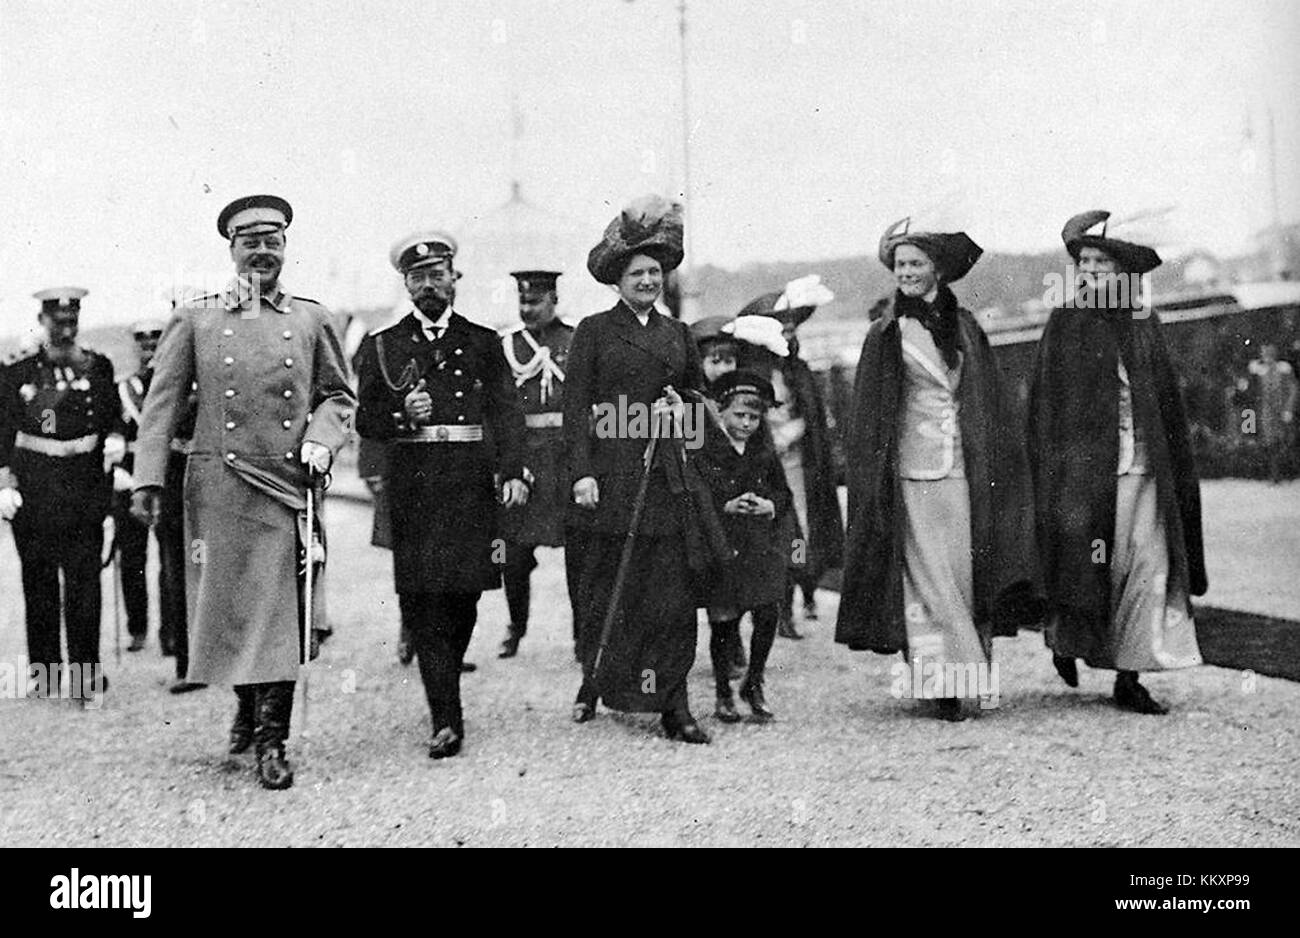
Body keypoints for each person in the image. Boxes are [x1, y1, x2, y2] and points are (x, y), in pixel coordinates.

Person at [131, 194, 356, 788]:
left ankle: (271, 739)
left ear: (285, 248)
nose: (262, 252)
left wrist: (321, 438)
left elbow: (339, 395)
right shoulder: (198, 318)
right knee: (231, 608)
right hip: (220, 484)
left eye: (272, 241)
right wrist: (149, 476)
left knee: (279, 610)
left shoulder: (311, 319)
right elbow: (162, 403)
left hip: (287, 481)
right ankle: (247, 707)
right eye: (250, 242)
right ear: (231, 251)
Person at [836, 219, 1041, 721]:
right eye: (899, 264)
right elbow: (869, 416)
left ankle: (968, 671)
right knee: (927, 580)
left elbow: (987, 398)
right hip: (912, 471)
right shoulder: (885, 333)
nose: (905, 273)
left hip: (965, 469)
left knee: (964, 573)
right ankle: (945, 683)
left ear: (938, 271)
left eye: (915, 264)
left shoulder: (965, 326)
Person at [353, 230, 529, 759]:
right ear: (405, 284)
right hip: (416, 484)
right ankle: (446, 715)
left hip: (470, 482)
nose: (428, 285)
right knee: (423, 595)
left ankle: (445, 681)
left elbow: (506, 412)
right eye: (418, 277)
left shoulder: (482, 342)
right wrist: (400, 414)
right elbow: (364, 419)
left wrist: (514, 470)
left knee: (466, 595)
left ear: (454, 278)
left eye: (437, 274)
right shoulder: (383, 345)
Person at [1028, 210, 1205, 714]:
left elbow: (1165, 399)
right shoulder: (1066, 322)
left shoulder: (1143, 321)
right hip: (1088, 477)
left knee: (1146, 569)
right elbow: (1047, 405)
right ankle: (1066, 642)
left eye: (1100, 261)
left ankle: (1130, 675)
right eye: (1083, 261)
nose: (1089, 270)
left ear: (1123, 270)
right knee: (1089, 567)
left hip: (1147, 470)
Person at [566, 194, 728, 745]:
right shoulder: (592, 332)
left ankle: (675, 704)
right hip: (611, 482)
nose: (647, 281)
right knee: (612, 591)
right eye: (637, 272)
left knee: (672, 598)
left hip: (666, 485)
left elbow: (703, 408)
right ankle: (598, 679)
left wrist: (681, 411)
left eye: (655, 272)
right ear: (618, 279)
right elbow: (576, 410)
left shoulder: (678, 335)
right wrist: (582, 473)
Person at [0, 287, 124, 701]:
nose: (66, 329)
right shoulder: (17, 372)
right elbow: (2, 432)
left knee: (85, 583)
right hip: (34, 491)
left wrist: (117, 440)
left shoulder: (98, 366)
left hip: (84, 490)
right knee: (39, 584)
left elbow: (113, 418)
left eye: (72, 321)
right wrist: (4, 482)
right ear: (43, 321)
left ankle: (87, 673)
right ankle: (46, 672)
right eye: (59, 322)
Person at [737, 275, 845, 637]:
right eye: (779, 328)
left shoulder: (797, 371)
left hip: (798, 464)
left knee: (801, 531)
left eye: (789, 328)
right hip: (765, 467)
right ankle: (778, 605)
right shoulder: (751, 374)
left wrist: (797, 431)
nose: (786, 335)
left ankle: (803, 590)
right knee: (771, 536)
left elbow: (812, 417)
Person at [692, 370, 791, 723]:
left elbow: (783, 492)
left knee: (767, 612)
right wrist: (725, 507)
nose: (747, 423)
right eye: (739, 415)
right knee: (724, 622)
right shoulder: (705, 449)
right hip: (722, 547)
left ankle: (755, 680)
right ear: (720, 411)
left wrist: (770, 506)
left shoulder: (763, 451)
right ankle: (723, 692)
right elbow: (697, 496)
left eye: (754, 417)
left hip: (759, 545)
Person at [497, 270, 578, 659]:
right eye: (523, 302)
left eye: (535, 301)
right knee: (513, 554)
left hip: (565, 459)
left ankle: (585, 634)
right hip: (526, 459)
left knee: (579, 553)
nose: (528, 309)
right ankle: (517, 626)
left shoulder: (575, 341)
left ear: (554, 300)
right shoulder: (508, 346)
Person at [111, 320, 165, 654]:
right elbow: (111, 431)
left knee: (171, 561)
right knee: (132, 559)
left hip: (164, 479)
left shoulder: (173, 384)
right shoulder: (123, 390)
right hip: (129, 480)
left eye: (155, 339)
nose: (148, 346)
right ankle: (138, 628)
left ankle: (172, 632)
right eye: (141, 340)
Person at [1247, 343, 1297, 483]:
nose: (1267, 356)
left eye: (1269, 353)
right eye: (1264, 353)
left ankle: (1289, 473)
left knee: (1285, 441)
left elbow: (1293, 389)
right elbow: (1252, 393)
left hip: (1281, 411)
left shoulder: (1283, 369)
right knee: (1269, 443)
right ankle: (1272, 475)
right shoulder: (1259, 371)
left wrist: (1289, 409)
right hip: (1264, 412)